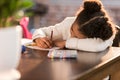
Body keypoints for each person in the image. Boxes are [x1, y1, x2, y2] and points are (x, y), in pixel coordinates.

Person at [32, 0, 116, 52]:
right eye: (72, 30)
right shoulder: (68, 23)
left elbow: (97, 46)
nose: (71, 36)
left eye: (76, 37)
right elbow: (40, 31)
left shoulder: (102, 32)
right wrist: (39, 38)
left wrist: (65, 43)